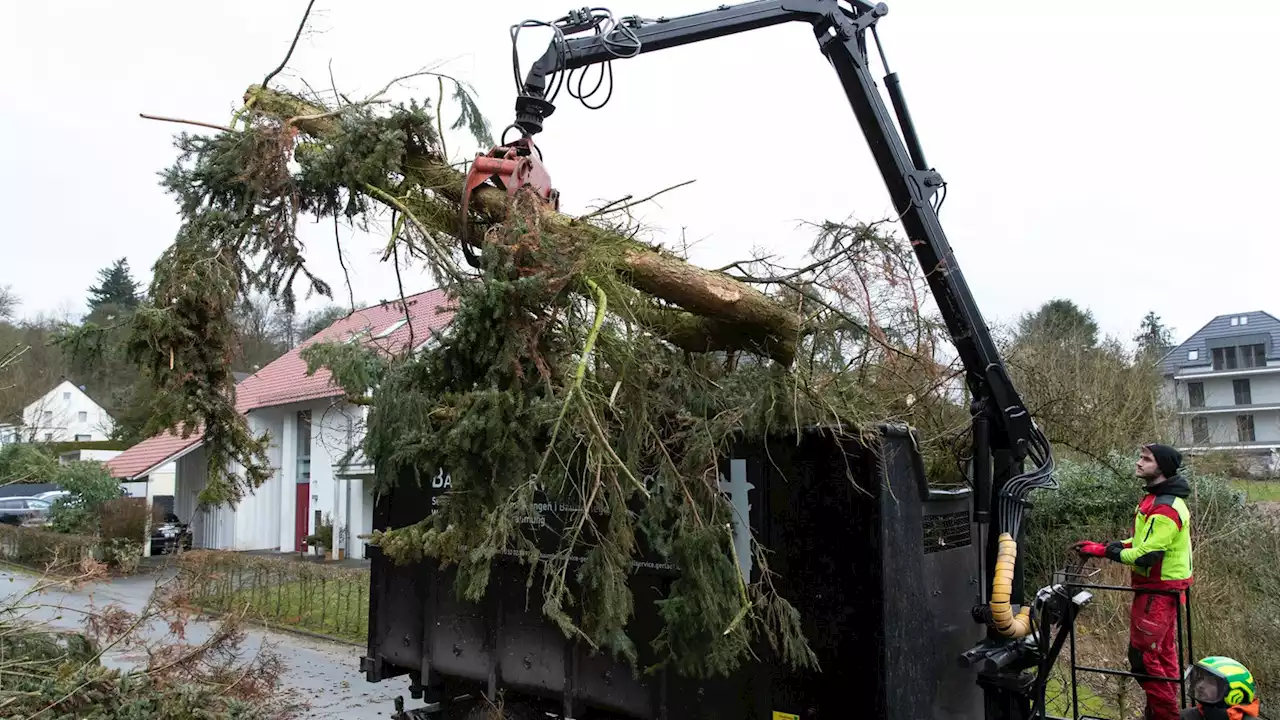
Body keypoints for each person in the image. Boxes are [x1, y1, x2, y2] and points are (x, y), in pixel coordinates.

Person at [1075, 443, 1194, 720]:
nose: (1138, 463)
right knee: (1161, 655)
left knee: (1143, 658)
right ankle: (1158, 713)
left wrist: (1105, 551)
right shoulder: (1157, 500)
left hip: (1159, 591)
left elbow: (1146, 555)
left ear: (1162, 467)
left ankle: (1166, 716)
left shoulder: (1165, 507)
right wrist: (1104, 547)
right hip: (1160, 590)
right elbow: (1142, 542)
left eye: (1146, 459)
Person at [1180, 656, 1260, 720]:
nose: (1200, 685)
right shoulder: (1186, 716)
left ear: (1234, 695)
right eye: (1201, 679)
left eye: (1210, 682)